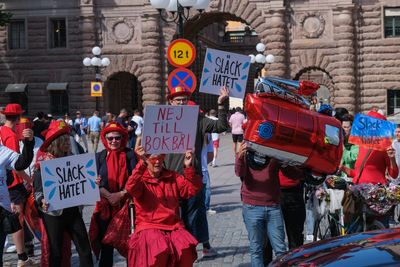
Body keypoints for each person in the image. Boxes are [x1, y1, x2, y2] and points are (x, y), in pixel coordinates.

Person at [164, 85, 229, 258]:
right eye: (178, 100)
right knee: (172, 217)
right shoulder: (162, 120)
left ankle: (189, 253)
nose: (182, 103)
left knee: (192, 216)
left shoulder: (198, 120)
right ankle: (174, 249)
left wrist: (222, 104)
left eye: (184, 100)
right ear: (171, 102)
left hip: (192, 178)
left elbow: (221, 126)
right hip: (169, 179)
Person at [125, 146, 202, 266]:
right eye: (153, 158)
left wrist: (188, 167)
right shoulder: (141, 179)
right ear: (146, 159)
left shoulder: (172, 176)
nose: (157, 161)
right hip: (149, 226)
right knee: (158, 250)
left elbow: (192, 189)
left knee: (185, 250)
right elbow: (130, 188)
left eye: (160, 157)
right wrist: (141, 164)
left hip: (173, 225)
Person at [33, 120, 93, 267]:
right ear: (57, 143)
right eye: (65, 140)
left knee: (84, 248)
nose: (68, 143)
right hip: (53, 213)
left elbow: (83, 181)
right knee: (56, 251)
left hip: (72, 210)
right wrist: (42, 201)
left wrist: (92, 182)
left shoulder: (73, 161)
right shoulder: (43, 164)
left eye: (68, 139)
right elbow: (38, 191)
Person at [236, 142, 303, 266]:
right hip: (252, 206)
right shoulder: (247, 148)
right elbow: (239, 172)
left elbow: (292, 174)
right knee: (256, 249)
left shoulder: (273, 149)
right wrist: (240, 156)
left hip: (273, 206)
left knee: (280, 249)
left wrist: (294, 165)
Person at [89, 122, 137, 266]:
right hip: (106, 206)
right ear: (105, 139)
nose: (114, 141)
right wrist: (109, 195)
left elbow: (136, 178)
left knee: (130, 245)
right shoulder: (99, 156)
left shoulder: (130, 154)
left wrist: (121, 194)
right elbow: (92, 181)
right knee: (106, 245)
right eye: (110, 138)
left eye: (117, 138)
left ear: (122, 138)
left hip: (126, 206)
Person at [340, 110, 398, 227]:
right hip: (359, 195)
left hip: (376, 196)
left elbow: (394, 174)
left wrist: (392, 158)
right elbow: (358, 172)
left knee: (378, 231)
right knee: (357, 227)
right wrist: (343, 168)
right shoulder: (361, 146)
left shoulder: (385, 147)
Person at [0, 104, 37, 267]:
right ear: (17, 118)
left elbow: (18, 162)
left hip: (3, 198)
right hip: (12, 185)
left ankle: (22, 255)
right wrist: (30, 181)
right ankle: (22, 257)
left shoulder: (1, 140)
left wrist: (29, 144)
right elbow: (17, 167)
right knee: (18, 219)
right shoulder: (10, 135)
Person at [340, 114, 359, 178]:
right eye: (342, 127)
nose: (343, 130)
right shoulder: (342, 139)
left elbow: (350, 159)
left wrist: (342, 145)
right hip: (340, 176)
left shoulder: (357, 141)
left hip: (351, 178)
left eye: (346, 127)